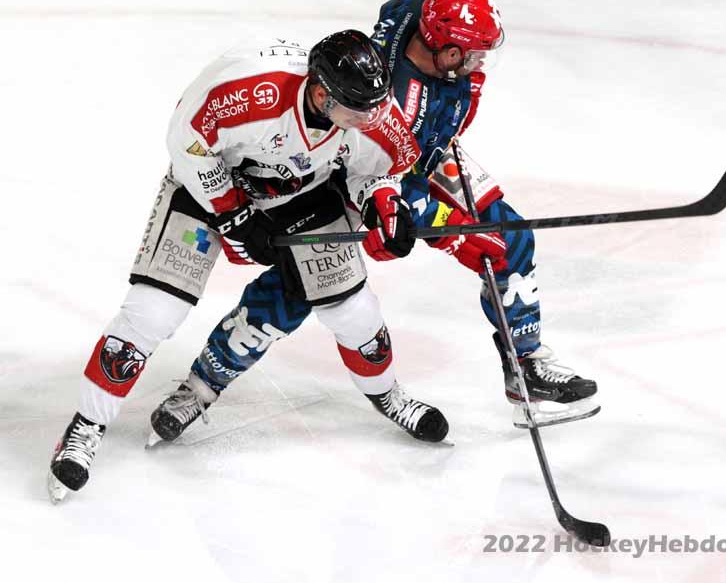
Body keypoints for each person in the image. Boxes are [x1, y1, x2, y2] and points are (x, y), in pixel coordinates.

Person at [148, 0, 599, 442]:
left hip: (424, 154)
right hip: (361, 179)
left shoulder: (421, 26)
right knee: (298, 287)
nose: (480, 65)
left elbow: (406, 9)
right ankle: (203, 384)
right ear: (446, 52)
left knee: (513, 237)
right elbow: (390, 180)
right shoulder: (398, 102)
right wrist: (455, 234)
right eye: (473, 56)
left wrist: (448, 111)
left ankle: (527, 366)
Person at [48, 30, 445, 504]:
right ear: (321, 94)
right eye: (358, 112)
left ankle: (388, 395)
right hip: (209, 186)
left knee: (354, 312)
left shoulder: (369, 108)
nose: (372, 120)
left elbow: (378, 169)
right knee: (153, 311)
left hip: (302, 193)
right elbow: (188, 140)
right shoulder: (251, 93)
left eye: (374, 108)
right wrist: (231, 210)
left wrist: (383, 203)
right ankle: (86, 425)